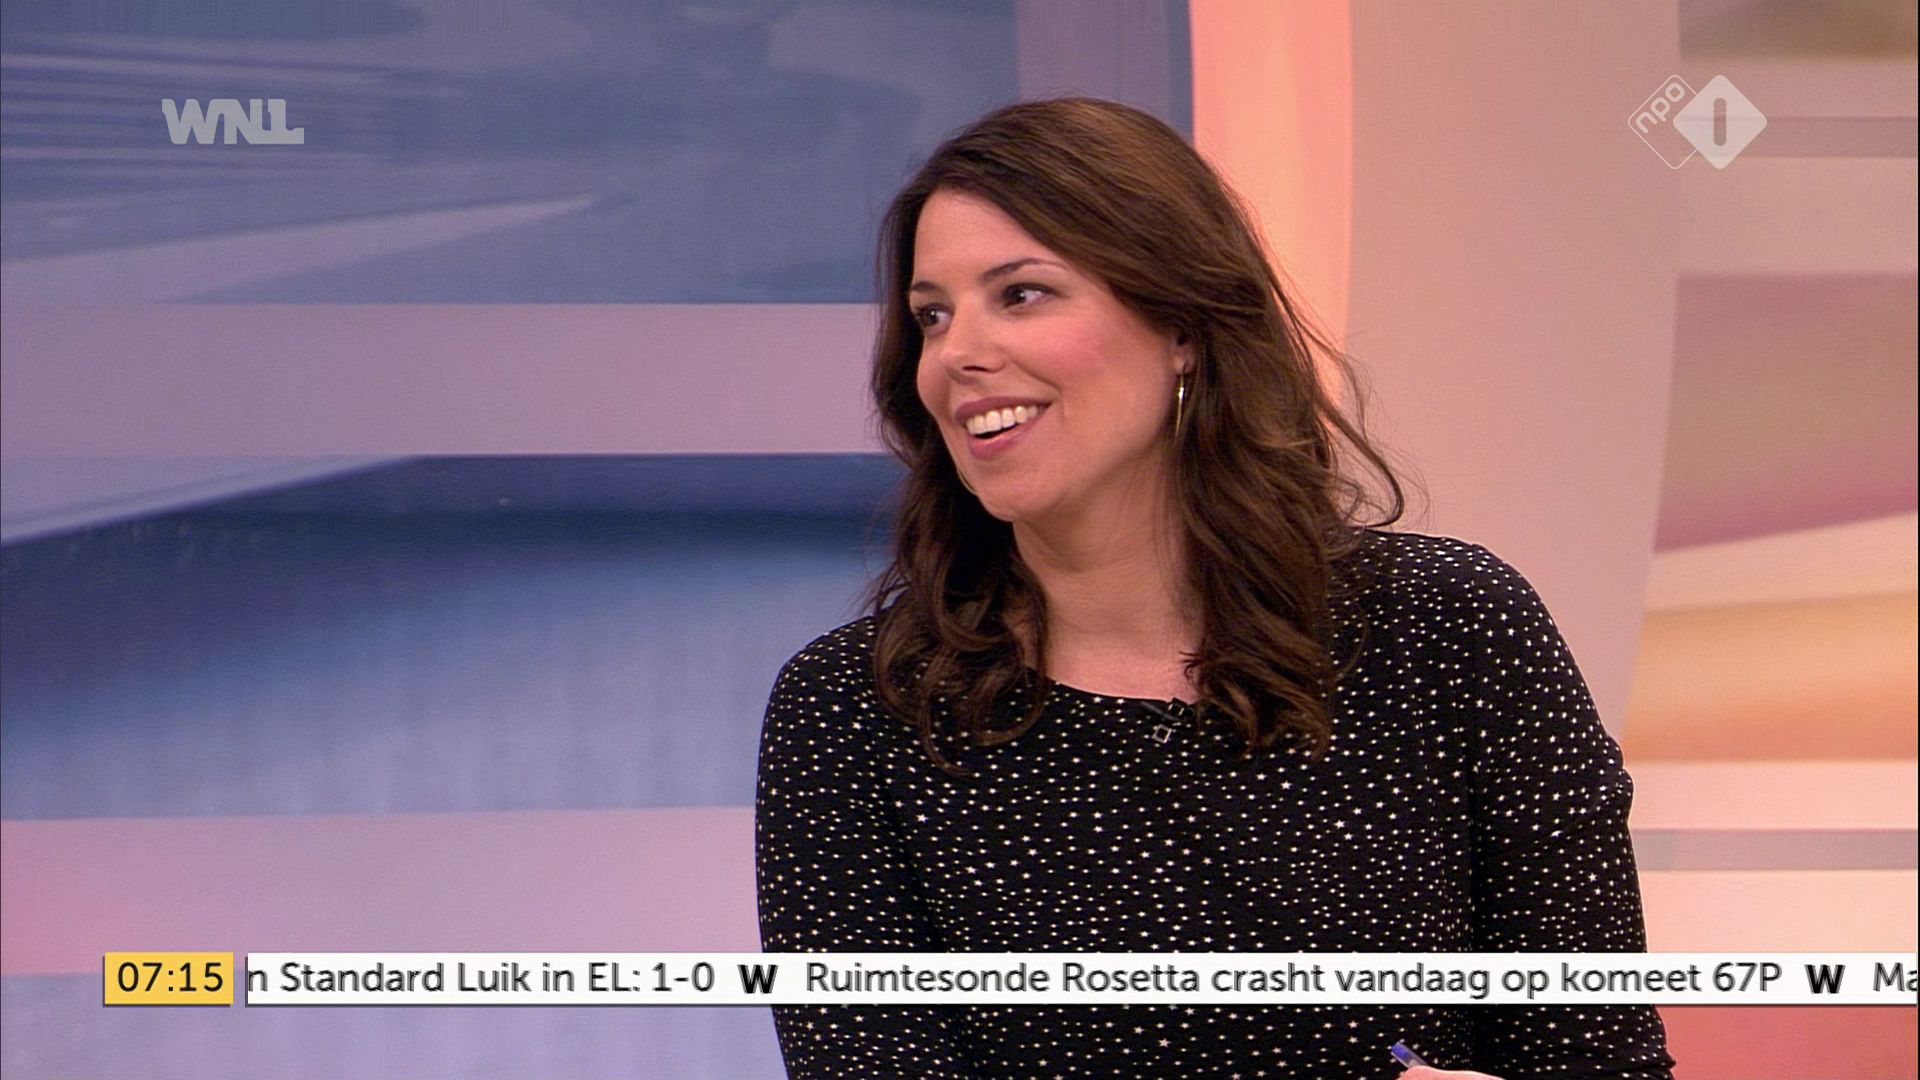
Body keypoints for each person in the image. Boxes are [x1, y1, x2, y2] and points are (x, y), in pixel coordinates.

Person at [754, 97, 1676, 1080]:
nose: (957, 355)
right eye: (931, 316)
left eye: (1020, 295)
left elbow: (1602, 1055)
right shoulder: (853, 709)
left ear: (1182, 327)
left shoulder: (1449, 629)